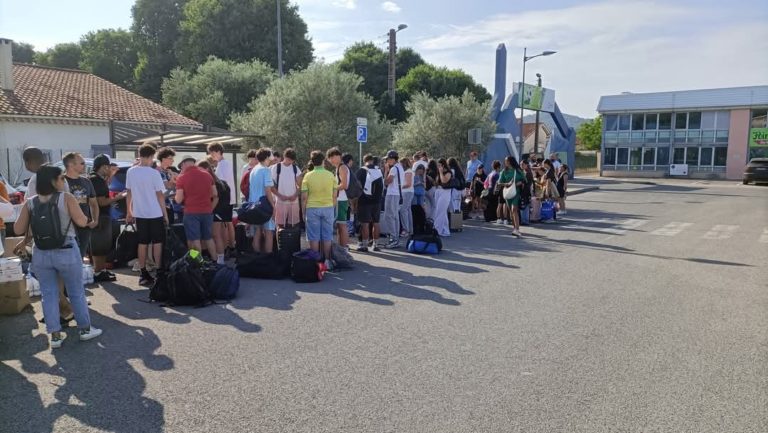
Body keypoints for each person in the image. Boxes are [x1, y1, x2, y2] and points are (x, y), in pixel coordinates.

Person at [14, 165, 102, 348]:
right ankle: (85, 329)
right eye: (61, 178)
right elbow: (81, 221)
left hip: (41, 253)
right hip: (66, 250)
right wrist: (87, 219)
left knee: (48, 294)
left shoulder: (30, 202)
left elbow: (18, 229)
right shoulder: (66, 198)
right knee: (76, 291)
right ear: (53, 181)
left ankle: (55, 336)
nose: (63, 181)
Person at [126, 143, 169, 287]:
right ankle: (159, 270)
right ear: (151, 156)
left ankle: (143, 272)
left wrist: (129, 211)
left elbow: (129, 193)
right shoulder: (154, 173)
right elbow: (160, 195)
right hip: (155, 212)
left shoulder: (131, 171)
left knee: (142, 243)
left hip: (139, 213)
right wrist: (165, 214)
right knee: (157, 242)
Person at [89, 155, 124, 282]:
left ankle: (102, 270)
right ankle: (98, 272)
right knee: (99, 246)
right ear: (104, 167)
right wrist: (117, 198)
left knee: (103, 245)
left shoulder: (97, 178)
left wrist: (111, 175)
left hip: (101, 216)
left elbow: (105, 187)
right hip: (100, 216)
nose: (110, 169)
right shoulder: (96, 180)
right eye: (109, 167)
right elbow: (101, 201)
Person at [175, 158, 218, 259]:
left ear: (184, 164)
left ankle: (198, 262)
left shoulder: (182, 177)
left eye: (181, 166)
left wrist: (175, 197)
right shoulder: (207, 175)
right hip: (207, 211)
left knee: (194, 240)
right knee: (208, 238)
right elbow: (215, 194)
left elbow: (179, 200)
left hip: (191, 212)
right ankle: (216, 261)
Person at [301, 151, 337, 268]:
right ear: (323, 161)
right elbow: (334, 195)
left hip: (312, 208)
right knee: (327, 235)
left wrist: (303, 212)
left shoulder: (307, 176)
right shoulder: (330, 175)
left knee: (313, 236)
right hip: (328, 207)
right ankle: (327, 260)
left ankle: (316, 263)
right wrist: (333, 207)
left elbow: (304, 197)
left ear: (312, 161)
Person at [62, 152, 99, 260]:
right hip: (67, 227)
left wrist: (95, 220)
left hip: (84, 226)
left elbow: (93, 203)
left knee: (80, 257)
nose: (85, 165)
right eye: (82, 163)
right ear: (71, 165)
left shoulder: (86, 181)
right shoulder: (61, 182)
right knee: (68, 258)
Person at [208, 142, 236, 251]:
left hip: (224, 199)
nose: (211, 155)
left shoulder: (223, 164)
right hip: (228, 198)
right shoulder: (224, 163)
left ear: (218, 152)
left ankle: (226, 248)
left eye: (212, 153)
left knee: (224, 225)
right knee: (227, 223)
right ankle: (230, 247)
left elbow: (221, 184)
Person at [248, 148, 276, 254]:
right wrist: (273, 206)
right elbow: (267, 190)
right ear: (267, 157)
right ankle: (268, 257)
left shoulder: (254, 169)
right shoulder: (265, 170)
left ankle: (257, 257)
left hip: (254, 205)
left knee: (257, 231)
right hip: (264, 206)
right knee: (269, 232)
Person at [355, 154, 384, 252]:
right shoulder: (379, 170)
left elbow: (357, 186)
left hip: (364, 200)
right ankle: (376, 244)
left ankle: (364, 245)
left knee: (365, 224)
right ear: (372, 160)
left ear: (364, 161)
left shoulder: (361, 171)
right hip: (377, 201)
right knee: (376, 223)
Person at [270, 148, 302, 229]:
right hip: (280, 201)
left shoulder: (295, 168)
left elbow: (300, 185)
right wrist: (280, 196)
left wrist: (295, 195)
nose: (290, 161)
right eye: (288, 159)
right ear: (284, 157)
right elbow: (271, 186)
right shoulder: (276, 167)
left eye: (292, 160)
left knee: (294, 225)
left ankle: (293, 237)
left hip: (293, 202)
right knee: (280, 226)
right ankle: (279, 238)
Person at [327, 147, 351, 248]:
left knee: (342, 225)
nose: (331, 160)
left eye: (333, 157)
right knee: (339, 225)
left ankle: (344, 248)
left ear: (339, 156)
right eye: (330, 157)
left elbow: (344, 185)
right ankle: (341, 247)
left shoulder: (342, 167)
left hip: (341, 200)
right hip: (339, 199)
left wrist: (331, 188)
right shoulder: (339, 168)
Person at [381, 151, 404, 248]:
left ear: (393, 159)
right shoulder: (400, 167)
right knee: (395, 217)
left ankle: (393, 238)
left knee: (389, 216)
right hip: (397, 194)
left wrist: (386, 171)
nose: (387, 161)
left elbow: (387, 182)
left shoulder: (394, 169)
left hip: (392, 194)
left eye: (388, 159)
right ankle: (396, 238)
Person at [498, 156, 524, 237]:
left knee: (514, 209)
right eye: (505, 161)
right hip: (508, 192)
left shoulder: (518, 170)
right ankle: (515, 229)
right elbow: (499, 183)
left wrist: (519, 183)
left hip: (516, 192)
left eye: (507, 161)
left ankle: (517, 229)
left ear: (510, 161)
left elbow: (524, 180)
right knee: (511, 211)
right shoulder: (504, 171)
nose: (505, 162)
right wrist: (507, 184)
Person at [156, 147, 178, 224]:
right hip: (161, 206)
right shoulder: (158, 171)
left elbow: (173, 187)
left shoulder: (167, 171)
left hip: (169, 204)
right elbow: (167, 186)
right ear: (163, 159)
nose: (173, 160)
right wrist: (173, 177)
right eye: (170, 158)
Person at [398, 157, 414, 237]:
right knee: (408, 211)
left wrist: (399, 186)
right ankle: (410, 230)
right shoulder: (409, 171)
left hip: (407, 192)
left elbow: (408, 184)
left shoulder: (408, 172)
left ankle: (406, 230)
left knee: (403, 210)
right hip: (408, 192)